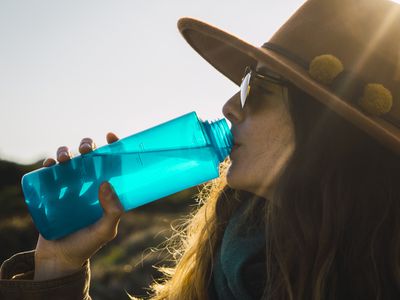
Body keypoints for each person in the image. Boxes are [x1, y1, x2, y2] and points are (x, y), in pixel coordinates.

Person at [1, 0, 400, 299]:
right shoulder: (226, 258)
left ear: (327, 129)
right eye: (244, 80)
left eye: (256, 87)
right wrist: (58, 267)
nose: (229, 106)